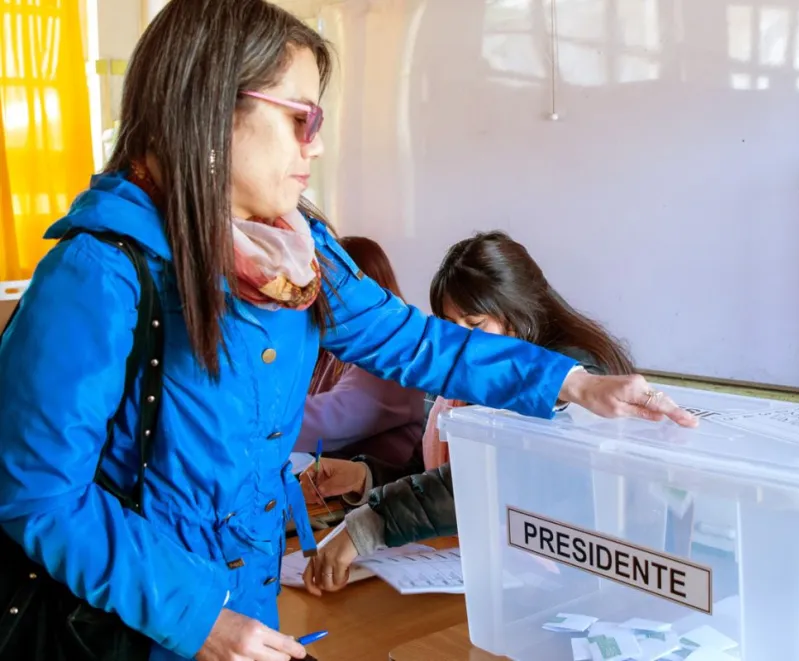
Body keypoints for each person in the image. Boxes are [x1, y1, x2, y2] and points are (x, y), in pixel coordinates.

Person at [0, 3, 695, 661]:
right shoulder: (99, 274)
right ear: (211, 113)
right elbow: (39, 495)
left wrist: (571, 381)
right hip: (135, 625)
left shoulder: (299, 253)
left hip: (247, 606)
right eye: (300, 118)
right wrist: (199, 619)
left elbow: (418, 342)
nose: (318, 142)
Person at [302, 231, 657, 595]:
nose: (461, 342)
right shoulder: (457, 383)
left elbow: (488, 482)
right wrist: (364, 475)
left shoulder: (572, 385)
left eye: (474, 325)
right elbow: (427, 474)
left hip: (569, 582)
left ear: (519, 317)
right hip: (473, 569)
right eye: (447, 325)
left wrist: (368, 526)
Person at [297, 236, 426, 468]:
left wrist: (247, 419)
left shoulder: (394, 350)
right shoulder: (331, 343)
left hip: (378, 491)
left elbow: (331, 421)